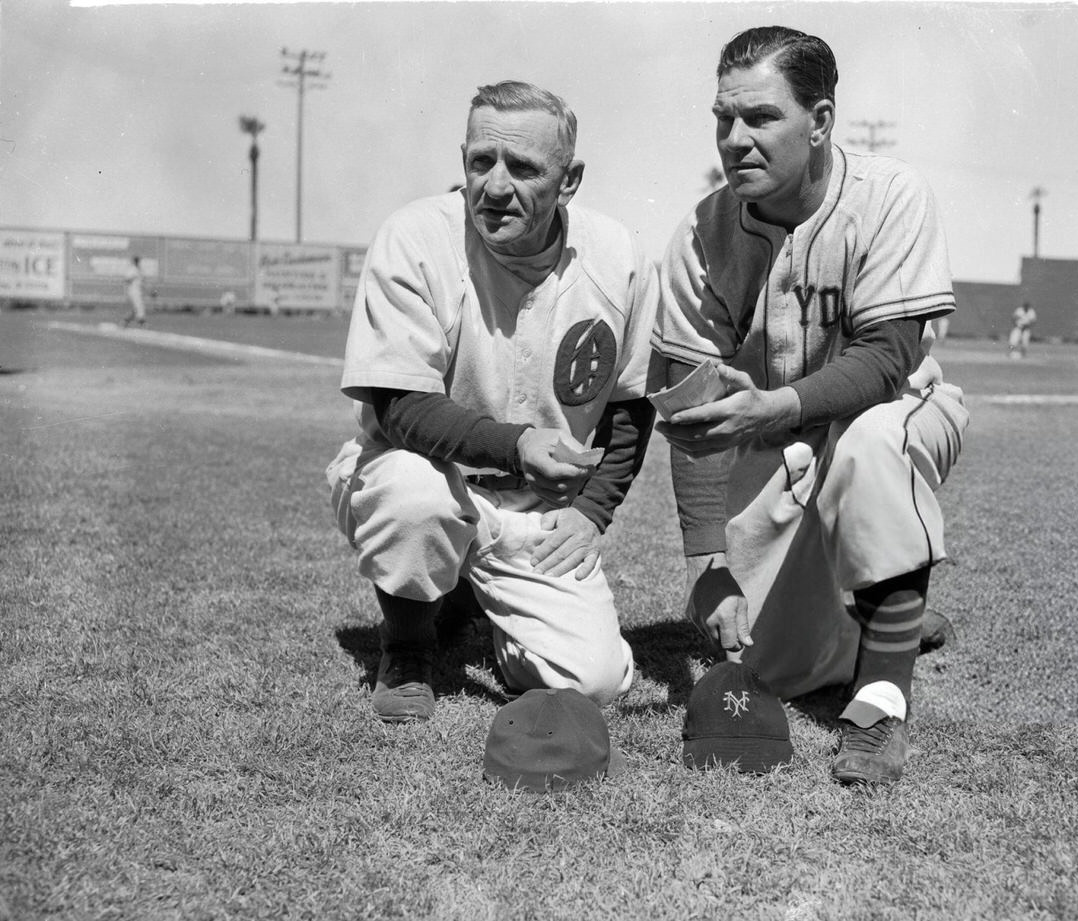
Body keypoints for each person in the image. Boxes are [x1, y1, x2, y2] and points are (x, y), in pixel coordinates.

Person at [654, 26, 968, 785]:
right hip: (777, 449)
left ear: (821, 121)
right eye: (723, 119)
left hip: (899, 409)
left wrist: (777, 406)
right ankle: (871, 620)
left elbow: (888, 358)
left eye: (760, 118)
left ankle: (879, 703)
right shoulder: (702, 233)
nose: (735, 139)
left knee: (870, 444)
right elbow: (692, 408)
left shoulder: (889, 195)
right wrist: (706, 563)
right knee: (778, 666)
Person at [326, 81, 658, 722]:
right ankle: (409, 647)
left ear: (570, 180)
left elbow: (631, 403)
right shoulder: (418, 236)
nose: (496, 185)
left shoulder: (619, 257)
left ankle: (479, 605)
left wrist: (593, 510)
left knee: (594, 683)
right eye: (482, 161)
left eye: (524, 168)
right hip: (423, 470)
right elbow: (398, 405)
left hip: (536, 504)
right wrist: (518, 444)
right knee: (413, 494)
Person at [122, 256, 147, 327]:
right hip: (133, 290)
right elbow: (126, 279)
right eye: (136, 261)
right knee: (139, 307)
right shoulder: (132, 269)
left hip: (139, 290)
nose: (137, 262)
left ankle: (126, 321)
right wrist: (132, 277)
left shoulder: (140, 270)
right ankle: (142, 323)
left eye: (138, 261)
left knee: (135, 309)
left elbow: (143, 281)